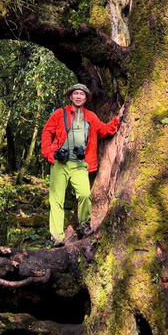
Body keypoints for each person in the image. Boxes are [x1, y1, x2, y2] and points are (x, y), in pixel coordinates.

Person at [41, 83, 125, 247]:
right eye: (76, 93)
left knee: (85, 194)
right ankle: (57, 236)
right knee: (57, 199)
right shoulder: (60, 114)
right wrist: (48, 153)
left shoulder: (91, 116)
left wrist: (118, 119)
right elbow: (47, 132)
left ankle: (83, 225)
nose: (79, 96)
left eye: (82, 94)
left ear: (86, 98)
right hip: (60, 162)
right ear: (71, 97)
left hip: (80, 164)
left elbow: (103, 130)